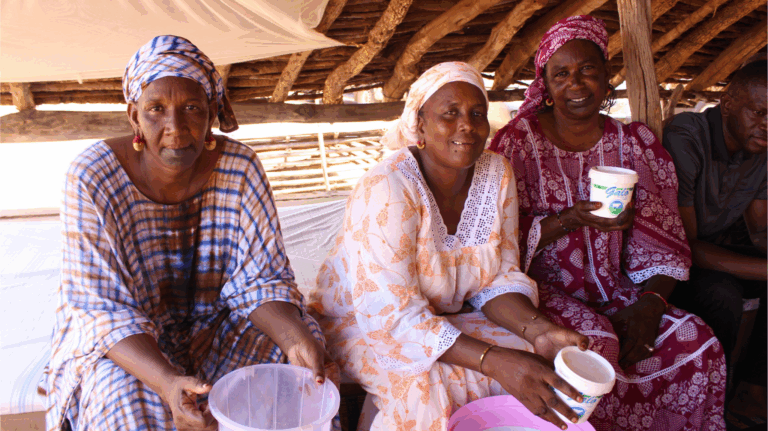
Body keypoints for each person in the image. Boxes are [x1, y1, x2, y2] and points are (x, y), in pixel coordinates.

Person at [45, 35, 336, 431]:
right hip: (130, 345)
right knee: (120, 396)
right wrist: (167, 382)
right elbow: (101, 311)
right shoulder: (92, 177)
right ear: (134, 116)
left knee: (296, 351)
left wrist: (294, 338)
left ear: (212, 113)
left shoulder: (240, 168)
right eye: (156, 109)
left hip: (217, 331)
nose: (176, 128)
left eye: (192, 108)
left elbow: (260, 281)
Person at [308, 62, 591, 430]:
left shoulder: (497, 173)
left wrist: (538, 331)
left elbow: (499, 277)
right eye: (450, 113)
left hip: (441, 319)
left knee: (539, 365)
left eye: (477, 113)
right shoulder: (387, 187)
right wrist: (494, 360)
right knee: (426, 388)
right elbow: (391, 318)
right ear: (420, 123)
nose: (467, 126)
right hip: (364, 324)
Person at [489, 15, 726, 431]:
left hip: (619, 290)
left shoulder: (634, 143)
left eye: (587, 70)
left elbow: (664, 242)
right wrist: (568, 220)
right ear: (545, 84)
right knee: (595, 348)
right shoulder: (517, 144)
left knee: (696, 340)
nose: (576, 84)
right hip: (540, 297)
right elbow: (494, 241)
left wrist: (650, 305)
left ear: (606, 76)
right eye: (561, 74)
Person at [662, 61, 767, 417]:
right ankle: (707, 406)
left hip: (714, 249)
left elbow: (761, 230)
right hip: (668, 262)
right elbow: (684, 246)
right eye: (758, 112)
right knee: (722, 295)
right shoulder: (687, 136)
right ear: (727, 103)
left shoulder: (762, 150)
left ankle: (752, 391)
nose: (767, 124)